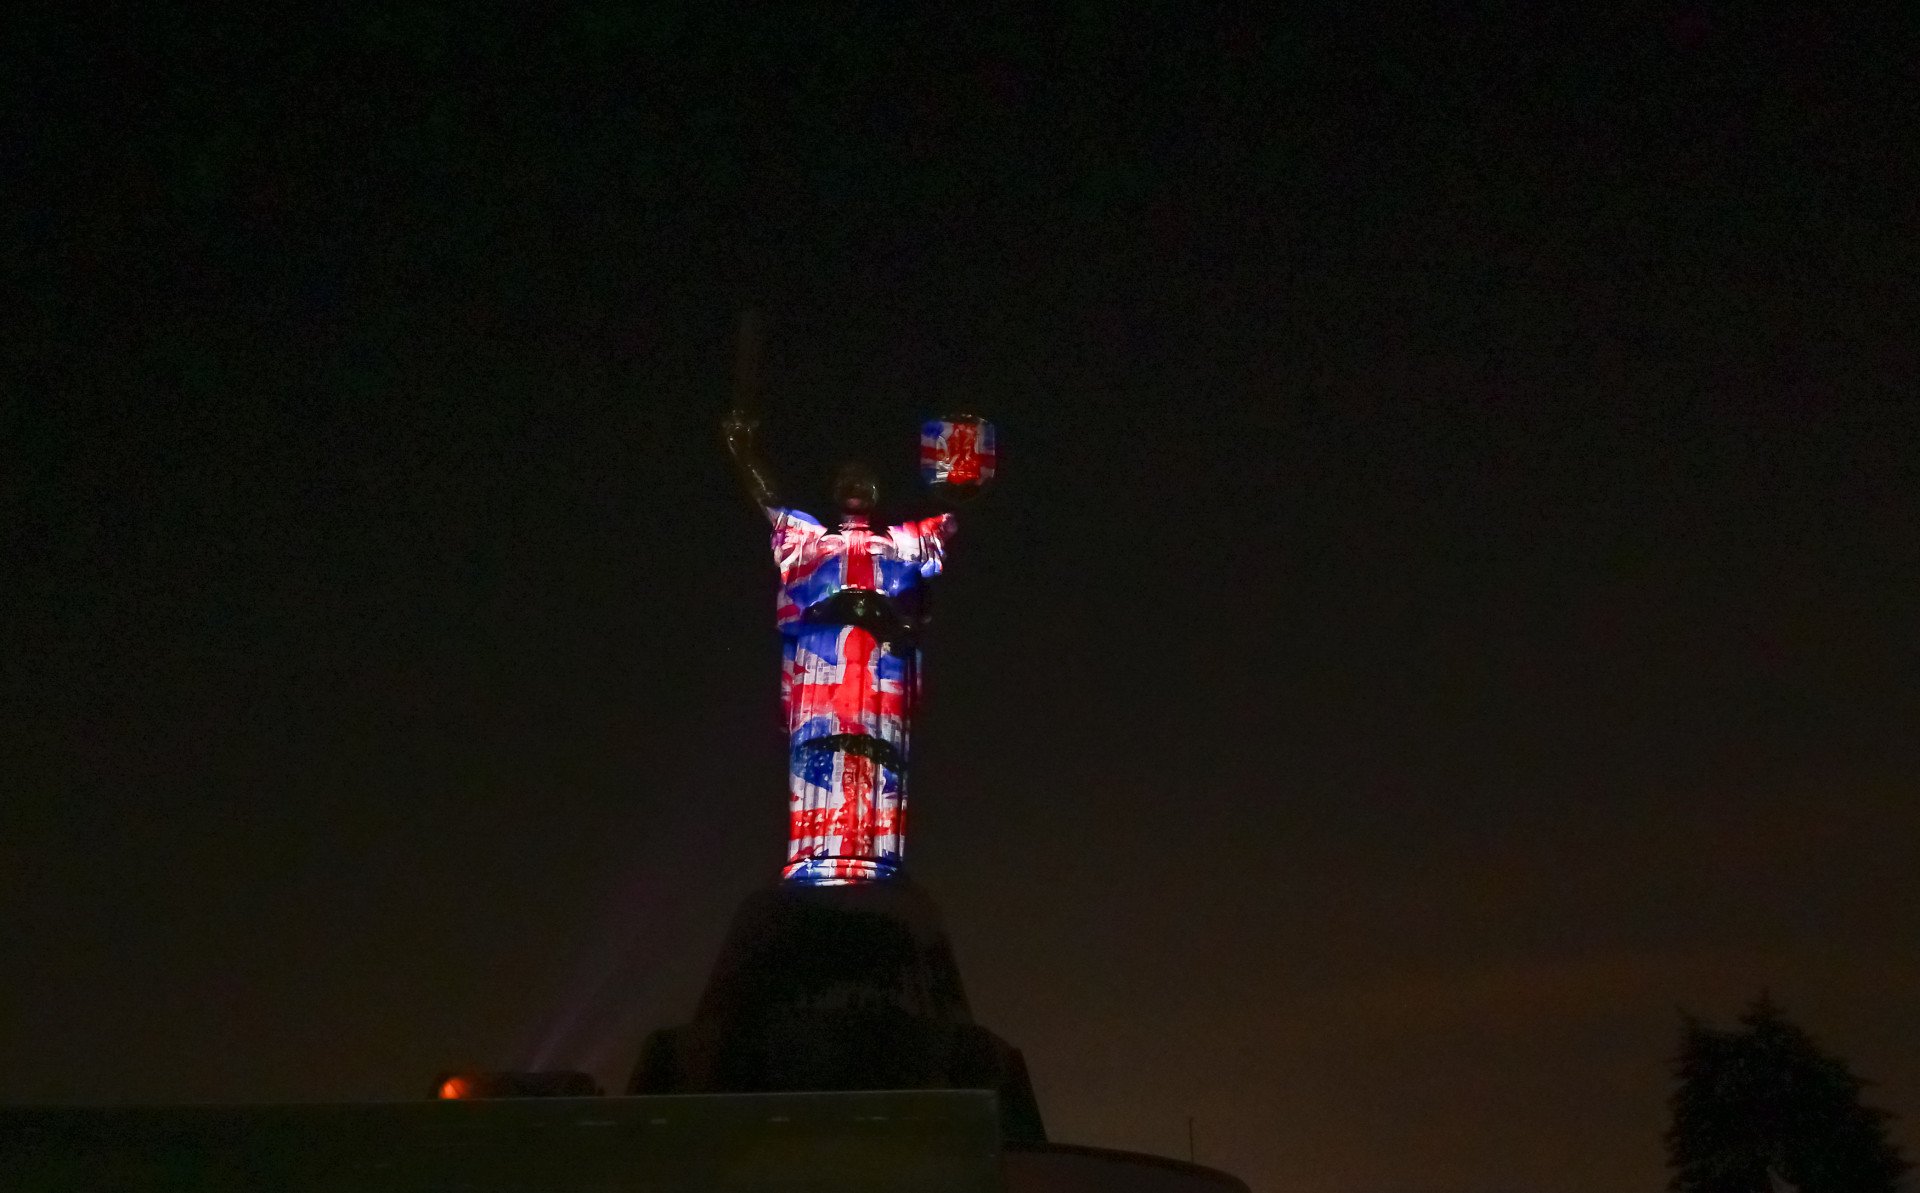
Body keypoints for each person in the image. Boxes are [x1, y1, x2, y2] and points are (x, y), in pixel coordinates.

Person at [723, 409, 955, 884]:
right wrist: (743, 453)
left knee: (876, 754)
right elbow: (770, 503)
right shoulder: (813, 543)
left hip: (879, 666)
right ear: (834, 492)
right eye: (847, 480)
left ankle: (874, 861)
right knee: (820, 748)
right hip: (822, 665)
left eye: (865, 482)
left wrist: (958, 481)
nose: (856, 486)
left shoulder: (898, 545)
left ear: (877, 495)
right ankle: (815, 857)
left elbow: (948, 521)